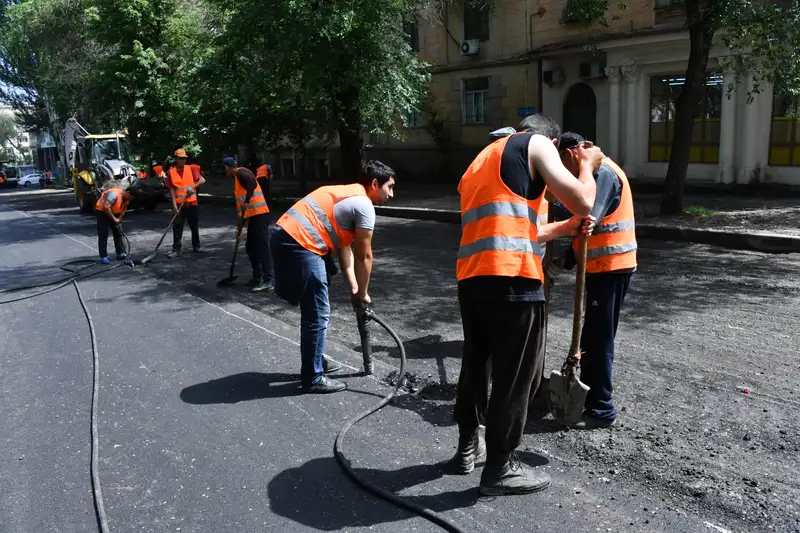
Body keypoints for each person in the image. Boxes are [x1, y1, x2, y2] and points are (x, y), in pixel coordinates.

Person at [453, 114, 603, 495]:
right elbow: (585, 200)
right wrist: (587, 165)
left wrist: (566, 227)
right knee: (515, 377)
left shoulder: (482, 161)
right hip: (514, 281)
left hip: (473, 279)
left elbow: (524, 228)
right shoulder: (535, 146)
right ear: (551, 145)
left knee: (476, 365)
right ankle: (500, 468)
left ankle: (467, 446)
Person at [271, 160, 396, 394]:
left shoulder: (348, 196)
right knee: (317, 313)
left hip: (288, 239)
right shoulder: (363, 205)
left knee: (315, 307)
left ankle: (314, 358)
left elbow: (345, 251)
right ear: (375, 183)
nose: (391, 194)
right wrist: (363, 293)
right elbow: (364, 256)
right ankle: (313, 377)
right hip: (300, 244)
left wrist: (354, 289)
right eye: (389, 187)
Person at [553, 132, 637, 429]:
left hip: (611, 266)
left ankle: (602, 410)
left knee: (598, 339)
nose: (562, 170)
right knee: (593, 336)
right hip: (601, 266)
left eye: (562, 162)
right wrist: (567, 259)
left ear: (575, 152)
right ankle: (592, 400)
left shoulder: (602, 173)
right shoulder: (595, 173)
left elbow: (586, 216)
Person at [223, 157, 274, 292]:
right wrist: (239, 229)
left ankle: (268, 279)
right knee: (251, 247)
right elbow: (241, 209)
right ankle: (257, 277)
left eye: (225, 168)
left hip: (260, 214)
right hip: (253, 216)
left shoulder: (241, 172)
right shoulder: (237, 178)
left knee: (262, 247)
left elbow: (252, 183)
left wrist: (248, 199)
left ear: (227, 167)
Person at [166, 148, 206, 257]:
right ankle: (176, 249)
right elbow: (172, 190)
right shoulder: (171, 172)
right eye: (181, 159)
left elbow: (202, 180)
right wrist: (174, 205)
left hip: (192, 203)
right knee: (177, 226)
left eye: (184, 158)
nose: (183, 161)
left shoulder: (191, 169)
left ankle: (196, 246)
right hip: (179, 204)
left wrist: (193, 187)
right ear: (176, 159)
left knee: (194, 226)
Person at [95, 187, 132, 264]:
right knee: (103, 234)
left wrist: (119, 219)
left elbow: (123, 211)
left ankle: (120, 253)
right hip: (102, 211)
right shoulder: (114, 194)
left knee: (118, 232)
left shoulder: (127, 199)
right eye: (132, 197)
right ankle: (103, 256)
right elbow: (106, 207)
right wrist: (114, 219)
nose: (132, 199)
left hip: (113, 212)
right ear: (128, 192)